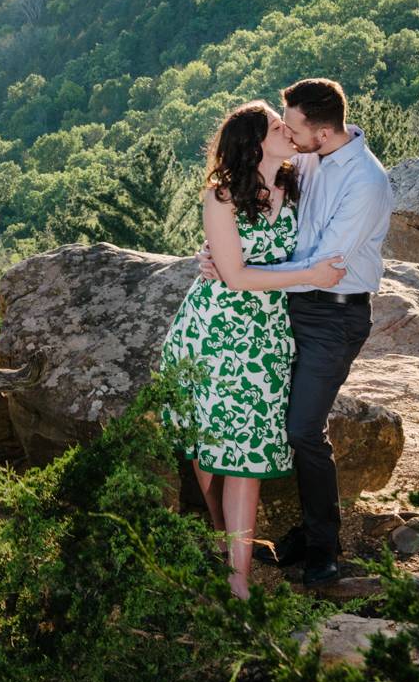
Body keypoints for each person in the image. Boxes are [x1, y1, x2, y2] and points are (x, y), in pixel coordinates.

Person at [196, 78, 392, 588]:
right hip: (284, 310)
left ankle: (323, 547)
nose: (288, 134)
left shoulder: (366, 183)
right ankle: (258, 535)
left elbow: (324, 262)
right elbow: (250, 200)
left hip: (334, 314)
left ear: (322, 133)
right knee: (271, 423)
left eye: (293, 127)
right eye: (281, 125)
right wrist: (220, 258)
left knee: (304, 427)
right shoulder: (306, 158)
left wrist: (240, 268)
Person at [158, 99, 347, 600]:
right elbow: (236, 277)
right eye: (276, 125)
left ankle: (237, 576)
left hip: (268, 337)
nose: (288, 130)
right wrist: (307, 275)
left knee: (244, 453)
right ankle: (226, 543)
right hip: (217, 332)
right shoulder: (221, 197)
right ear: (254, 142)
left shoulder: (297, 180)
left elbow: (339, 143)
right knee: (210, 442)